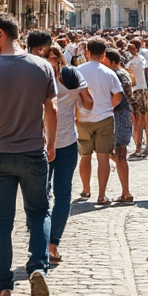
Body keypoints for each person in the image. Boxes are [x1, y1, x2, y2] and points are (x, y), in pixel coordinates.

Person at [0, 13, 59, 296]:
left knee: (2, 222)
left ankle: (4, 289)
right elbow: (52, 110)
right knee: (39, 213)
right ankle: (36, 267)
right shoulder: (43, 66)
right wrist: (51, 143)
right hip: (34, 151)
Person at [42, 44, 91, 265]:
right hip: (63, 142)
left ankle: (47, 243)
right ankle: (51, 245)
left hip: (46, 143)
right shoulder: (72, 76)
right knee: (60, 196)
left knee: (47, 196)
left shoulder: (39, 78)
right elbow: (89, 102)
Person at [76, 38, 123, 205]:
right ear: (104, 54)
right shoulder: (108, 72)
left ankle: (86, 189)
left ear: (86, 51)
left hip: (83, 118)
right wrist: (108, 107)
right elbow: (118, 95)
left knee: (85, 156)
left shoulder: (77, 71)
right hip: (104, 118)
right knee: (103, 157)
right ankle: (102, 195)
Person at [103, 49, 136, 204]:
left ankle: (126, 192)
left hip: (118, 114)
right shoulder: (123, 73)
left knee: (117, 153)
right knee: (119, 153)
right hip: (124, 114)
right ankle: (126, 192)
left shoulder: (116, 74)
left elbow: (118, 96)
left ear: (112, 61)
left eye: (105, 60)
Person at [126, 40, 148, 157]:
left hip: (138, 90)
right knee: (140, 119)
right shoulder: (138, 59)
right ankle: (143, 145)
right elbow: (146, 70)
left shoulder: (135, 60)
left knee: (139, 119)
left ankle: (142, 146)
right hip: (140, 90)